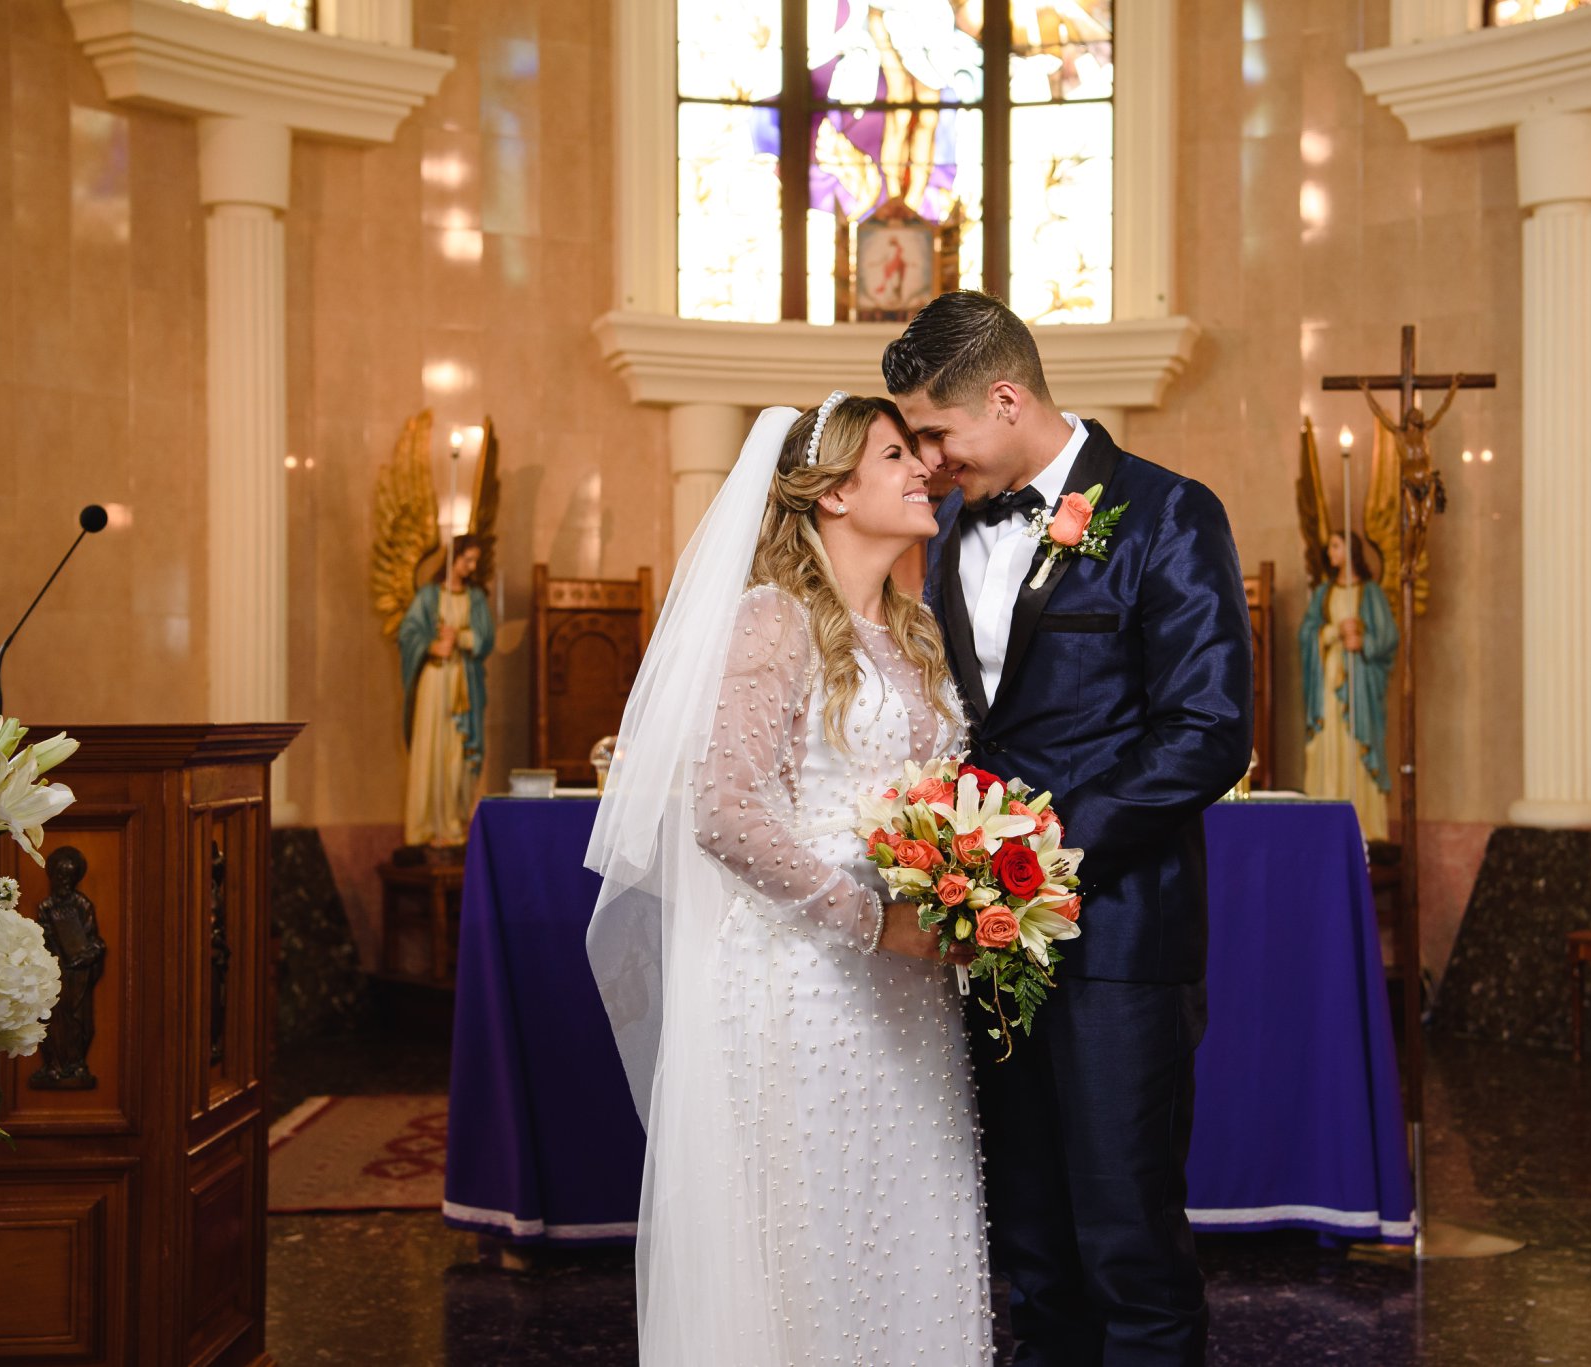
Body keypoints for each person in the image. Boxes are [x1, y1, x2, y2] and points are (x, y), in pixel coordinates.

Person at [884, 289, 1253, 1367]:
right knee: (1033, 1249)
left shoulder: (1169, 512)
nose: (931, 463)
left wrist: (1040, 853)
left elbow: (1208, 729)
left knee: (1128, 1246)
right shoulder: (950, 533)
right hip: (989, 948)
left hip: (1121, 937)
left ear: (1005, 400)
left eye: (939, 433)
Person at [585, 394, 992, 1364]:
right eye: (893, 456)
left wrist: (963, 885)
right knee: (817, 1240)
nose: (922, 470)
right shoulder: (771, 622)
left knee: (909, 1226)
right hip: (805, 985)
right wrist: (872, 918)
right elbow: (724, 811)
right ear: (835, 492)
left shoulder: (914, 630)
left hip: (912, 992)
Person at [397, 534, 495, 848]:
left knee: (457, 754)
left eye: (475, 561)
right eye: (468, 559)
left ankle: (453, 824)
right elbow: (407, 633)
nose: (472, 566)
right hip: (434, 681)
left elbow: (486, 638)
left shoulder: (475, 598)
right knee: (430, 750)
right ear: (454, 557)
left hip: (463, 683)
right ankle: (424, 827)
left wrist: (461, 638)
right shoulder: (429, 596)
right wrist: (431, 646)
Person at [1298, 531, 1396, 840]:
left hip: (1359, 685)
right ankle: (1324, 827)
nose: (1330, 552)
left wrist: (1363, 642)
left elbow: (1388, 638)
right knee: (1328, 743)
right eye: (1329, 547)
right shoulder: (1324, 593)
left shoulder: (1370, 592)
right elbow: (1306, 633)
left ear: (1351, 550)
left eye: (1336, 546)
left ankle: (1366, 826)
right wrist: (1331, 632)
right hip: (1328, 685)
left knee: (1355, 745)